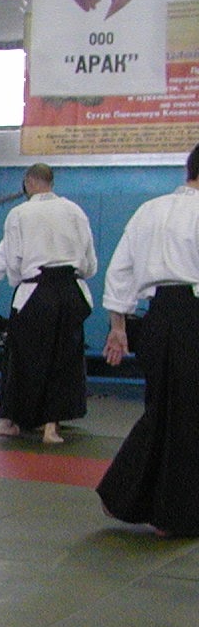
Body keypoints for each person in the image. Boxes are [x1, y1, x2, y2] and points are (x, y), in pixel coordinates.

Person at [96, 145, 199, 536]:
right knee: (183, 414)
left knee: (165, 408)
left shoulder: (149, 210)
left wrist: (118, 326)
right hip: (191, 316)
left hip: (156, 317)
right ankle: (162, 511)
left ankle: (127, 496)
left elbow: (120, 270)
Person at [0, 163, 96, 445]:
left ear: (29, 182)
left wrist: (2, 283)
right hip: (71, 290)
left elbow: (12, 256)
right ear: (51, 182)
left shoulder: (20, 213)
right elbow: (89, 259)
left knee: (22, 356)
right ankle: (50, 427)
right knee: (64, 357)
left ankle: (10, 420)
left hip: (36, 291)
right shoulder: (75, 211)